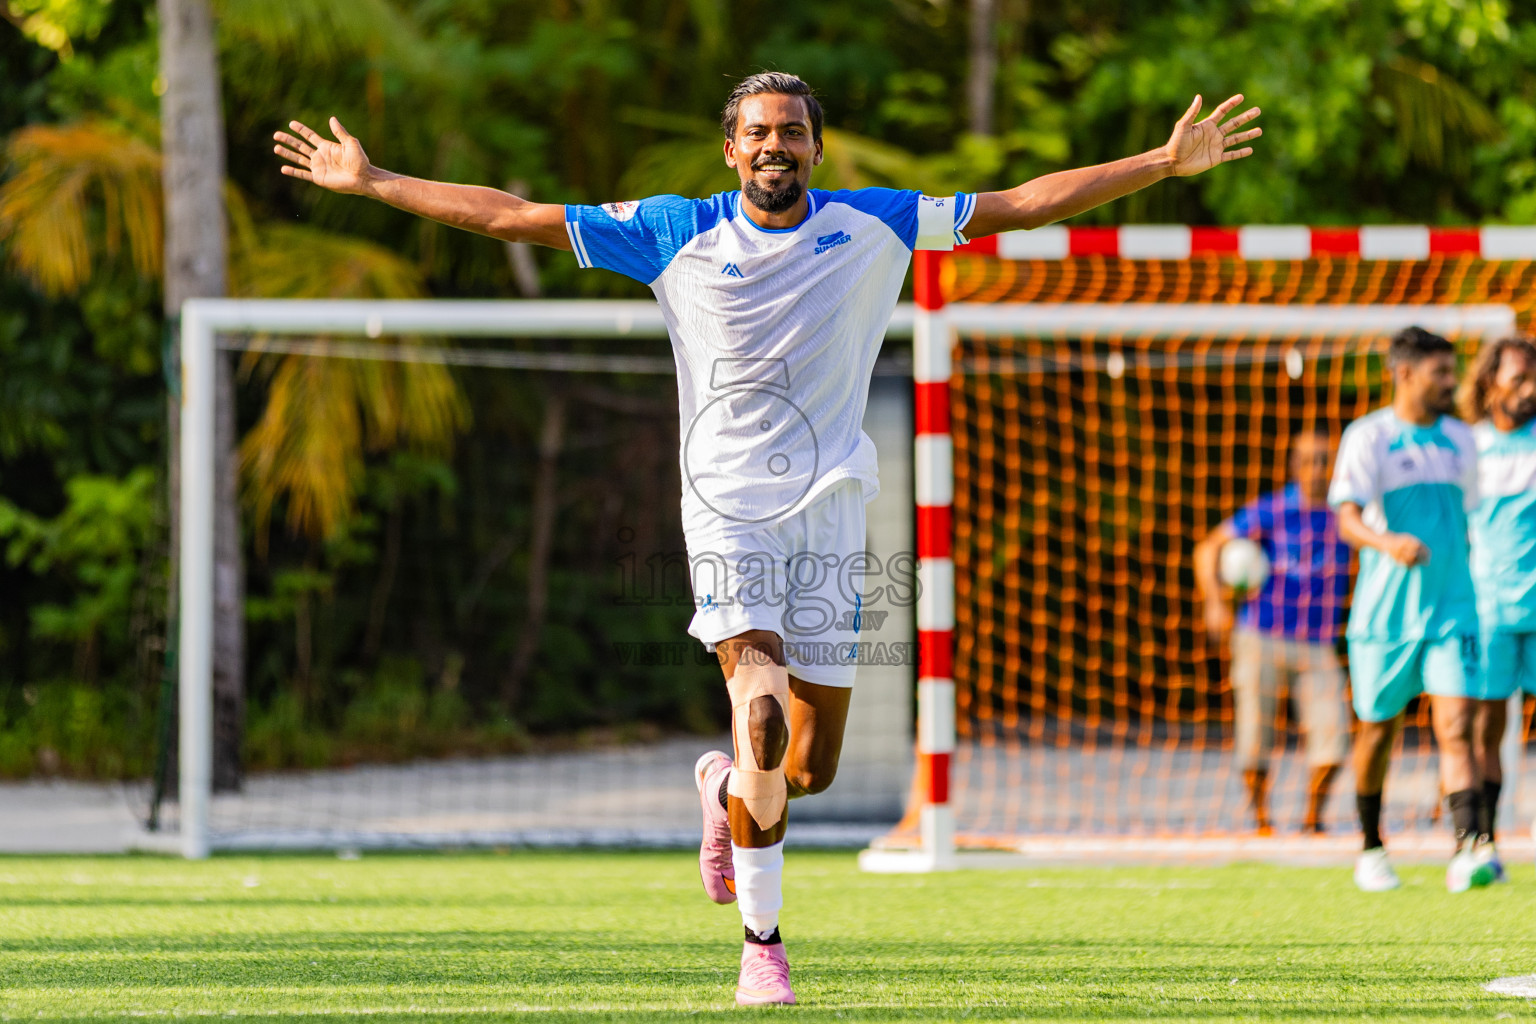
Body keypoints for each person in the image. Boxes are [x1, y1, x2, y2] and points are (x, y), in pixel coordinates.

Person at [272, 71, 1262, 1005]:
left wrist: (1160, 165)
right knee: (762, 710)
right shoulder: (671, 232)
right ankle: (763, 947)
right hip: (726, 506)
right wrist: (372, 180)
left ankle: (720, 784)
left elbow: (1022, 201)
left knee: (806, 768)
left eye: (792, 130)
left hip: (834, 504)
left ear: (817, 148)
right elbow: (516, 217)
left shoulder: (874, 222)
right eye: (758, 133)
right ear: (731, 150)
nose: (775, 145)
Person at [1329, 326, 1491, 893]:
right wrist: (1388, 542)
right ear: (1405, 373)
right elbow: (1347, 518)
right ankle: (1371, 846)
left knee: (1457, 725)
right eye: (1440, 373)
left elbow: (1471, 518)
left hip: (1453, 607)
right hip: (1385, 616)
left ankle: (1469, 848)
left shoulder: (1461, 439)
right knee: (1377, 730)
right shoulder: (1369, 437)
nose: (1451, 383)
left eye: (1452, 371)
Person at [1194, 431, 1351, 835]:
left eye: (1325, 459)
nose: (1318, 468)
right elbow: (1209, 547)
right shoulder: (1273, 510)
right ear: (1293, 466)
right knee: (1255, 733)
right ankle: (1262, 821)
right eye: (1310, 460)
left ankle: (1312, 819)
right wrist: (1215, 600)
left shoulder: (1346, 514)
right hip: (1260, 636)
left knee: (1334, 734)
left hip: (1317, 643)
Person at [1456, 334, 1536, 883]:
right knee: (1488, 727)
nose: (1529, 392)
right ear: (1489, 382)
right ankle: (1483, 846)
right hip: (1488, 607)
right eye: (1518, 380)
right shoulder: (1468, 447)